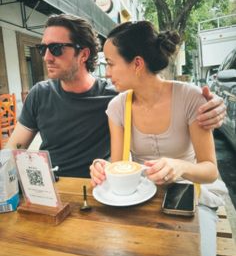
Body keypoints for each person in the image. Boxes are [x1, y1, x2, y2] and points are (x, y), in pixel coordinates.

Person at [6, 14, 225, 178]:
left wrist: (215, 106)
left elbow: (209, 166)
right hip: (52, 188)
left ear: (83, 54)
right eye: (42, 48)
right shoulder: (41, 94)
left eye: (55, 48)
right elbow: (13, 151)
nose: (46, 57)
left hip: (106, 195)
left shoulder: (112, 96)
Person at [90, 21, 222, 256]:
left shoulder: (191, 98)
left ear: (137, 63)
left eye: (110, 63)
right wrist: (103, 168)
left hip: (190, 198)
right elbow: (118, 164)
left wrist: (181, 166)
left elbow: (210, 170)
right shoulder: (117, 107)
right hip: (142, 200)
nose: (107, 73)